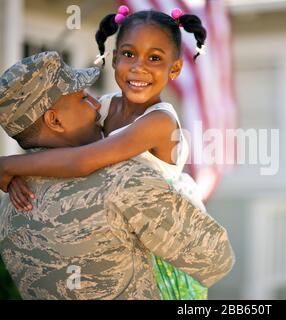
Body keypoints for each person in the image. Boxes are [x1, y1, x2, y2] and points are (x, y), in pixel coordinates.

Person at [0, 7, 213, 299]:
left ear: (174, 69)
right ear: (114, 58)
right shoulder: (103, 106)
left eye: (155, 58)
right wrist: (16, 177)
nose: (139, 67)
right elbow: (62, 145)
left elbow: (83, 160)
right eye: (128, 54)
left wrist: (9, 166)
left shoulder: (159, 122)